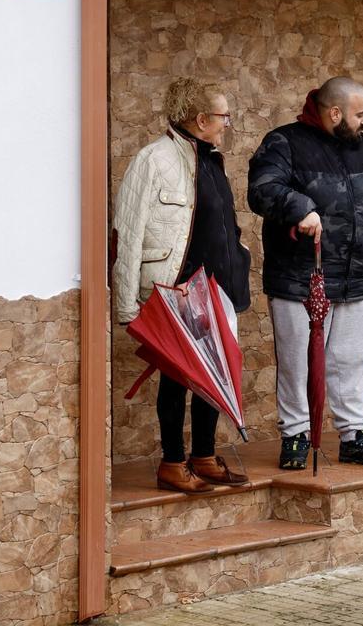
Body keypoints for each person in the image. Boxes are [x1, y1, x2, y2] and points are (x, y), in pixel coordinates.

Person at [248, 76, 363, 470]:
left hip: (358, 278)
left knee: (350, 362)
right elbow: (263, 188)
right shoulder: (284, 143)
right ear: (335, 113)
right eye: (360, 113)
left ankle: (353, 436)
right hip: (299, 280)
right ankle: (296, 436)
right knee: (297, 362)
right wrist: (300, 207)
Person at [112, 78, 252, 494]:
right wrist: (125, 304)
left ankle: (204, 456)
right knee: (178, 376)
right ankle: (172, 462)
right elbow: (127, 231)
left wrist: (239, 257)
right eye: (223, 116)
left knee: (215, 371)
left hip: (217, 289)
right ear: (201, 119)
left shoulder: (211, 159)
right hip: (175, 289)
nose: (227, 124)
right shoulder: (153, 160)